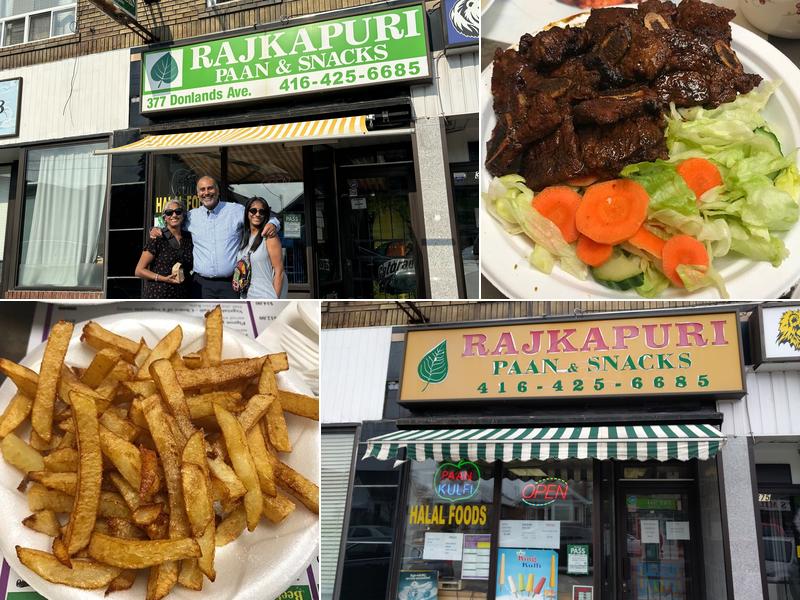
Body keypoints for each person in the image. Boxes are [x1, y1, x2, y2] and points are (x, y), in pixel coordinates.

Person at [150, 175, 280, 299]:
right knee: (201, 321)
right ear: (198, 194)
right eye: (202, 189)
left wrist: (273, 224)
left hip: (230, 284)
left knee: (232, 320)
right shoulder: (190, 216)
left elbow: (264, 216)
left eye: (210, 188)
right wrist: (156, 229)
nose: (206, 192)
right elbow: (173, 224)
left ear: (217, 191)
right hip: (201, 285)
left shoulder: (236, 210)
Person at [135, 200, 193, 298]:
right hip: (158, 294)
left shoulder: (189, 239)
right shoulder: (157, 238)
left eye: (178, 211)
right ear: (165, 217)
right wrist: (163, 278)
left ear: (183, 215)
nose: (174, 215)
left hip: (182, 295)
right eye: (169, 212)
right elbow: (139, 271)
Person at [238, 197, 288, 299]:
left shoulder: (270, 237)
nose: (257, 214)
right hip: (246, 296)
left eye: (262, 211)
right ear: (247, 212)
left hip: (266, 296)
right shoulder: (243, 238)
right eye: (253, 210)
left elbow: (279, 271)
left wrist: (275, 300)